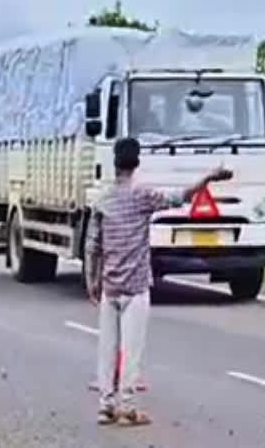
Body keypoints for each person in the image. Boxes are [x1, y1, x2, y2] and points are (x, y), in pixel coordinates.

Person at [85, 137, 231, 427]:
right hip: (136, 287)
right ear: (136, 163)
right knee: (132, 349)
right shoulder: (143, 196)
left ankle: (105, 405)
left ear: (115, 163)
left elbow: (92, 246)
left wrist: (92, 280)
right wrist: (208, 178)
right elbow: (180, 197)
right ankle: (126, 408)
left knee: (107, 348)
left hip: (110, 286)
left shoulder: (102, 200)